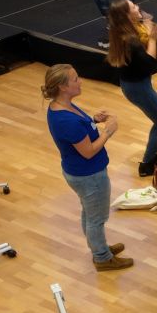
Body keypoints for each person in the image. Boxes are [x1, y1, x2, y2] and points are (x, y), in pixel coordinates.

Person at [42, 65, 131, 271]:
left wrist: (92, 120)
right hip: (89, 175)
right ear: (63, 87)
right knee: (96, 218)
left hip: (80, 172)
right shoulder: (66, 120)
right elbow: (88, 151)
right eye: (75, 79)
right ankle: (102, 258)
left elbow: (78, 132)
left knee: (90, 213)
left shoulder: (61, 107)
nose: (80, 81)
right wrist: (108, 131)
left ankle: (99, 247)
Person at [105, 0, 157, 178]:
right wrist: (153, 39)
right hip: (137, 87)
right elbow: (149, 64)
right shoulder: (130, 40)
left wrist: (148, 30)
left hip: (136, 84)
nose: (137, 7)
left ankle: (151, 156)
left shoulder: (124, 31)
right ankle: (147, 164)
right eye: (133, 7)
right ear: (127, 15)